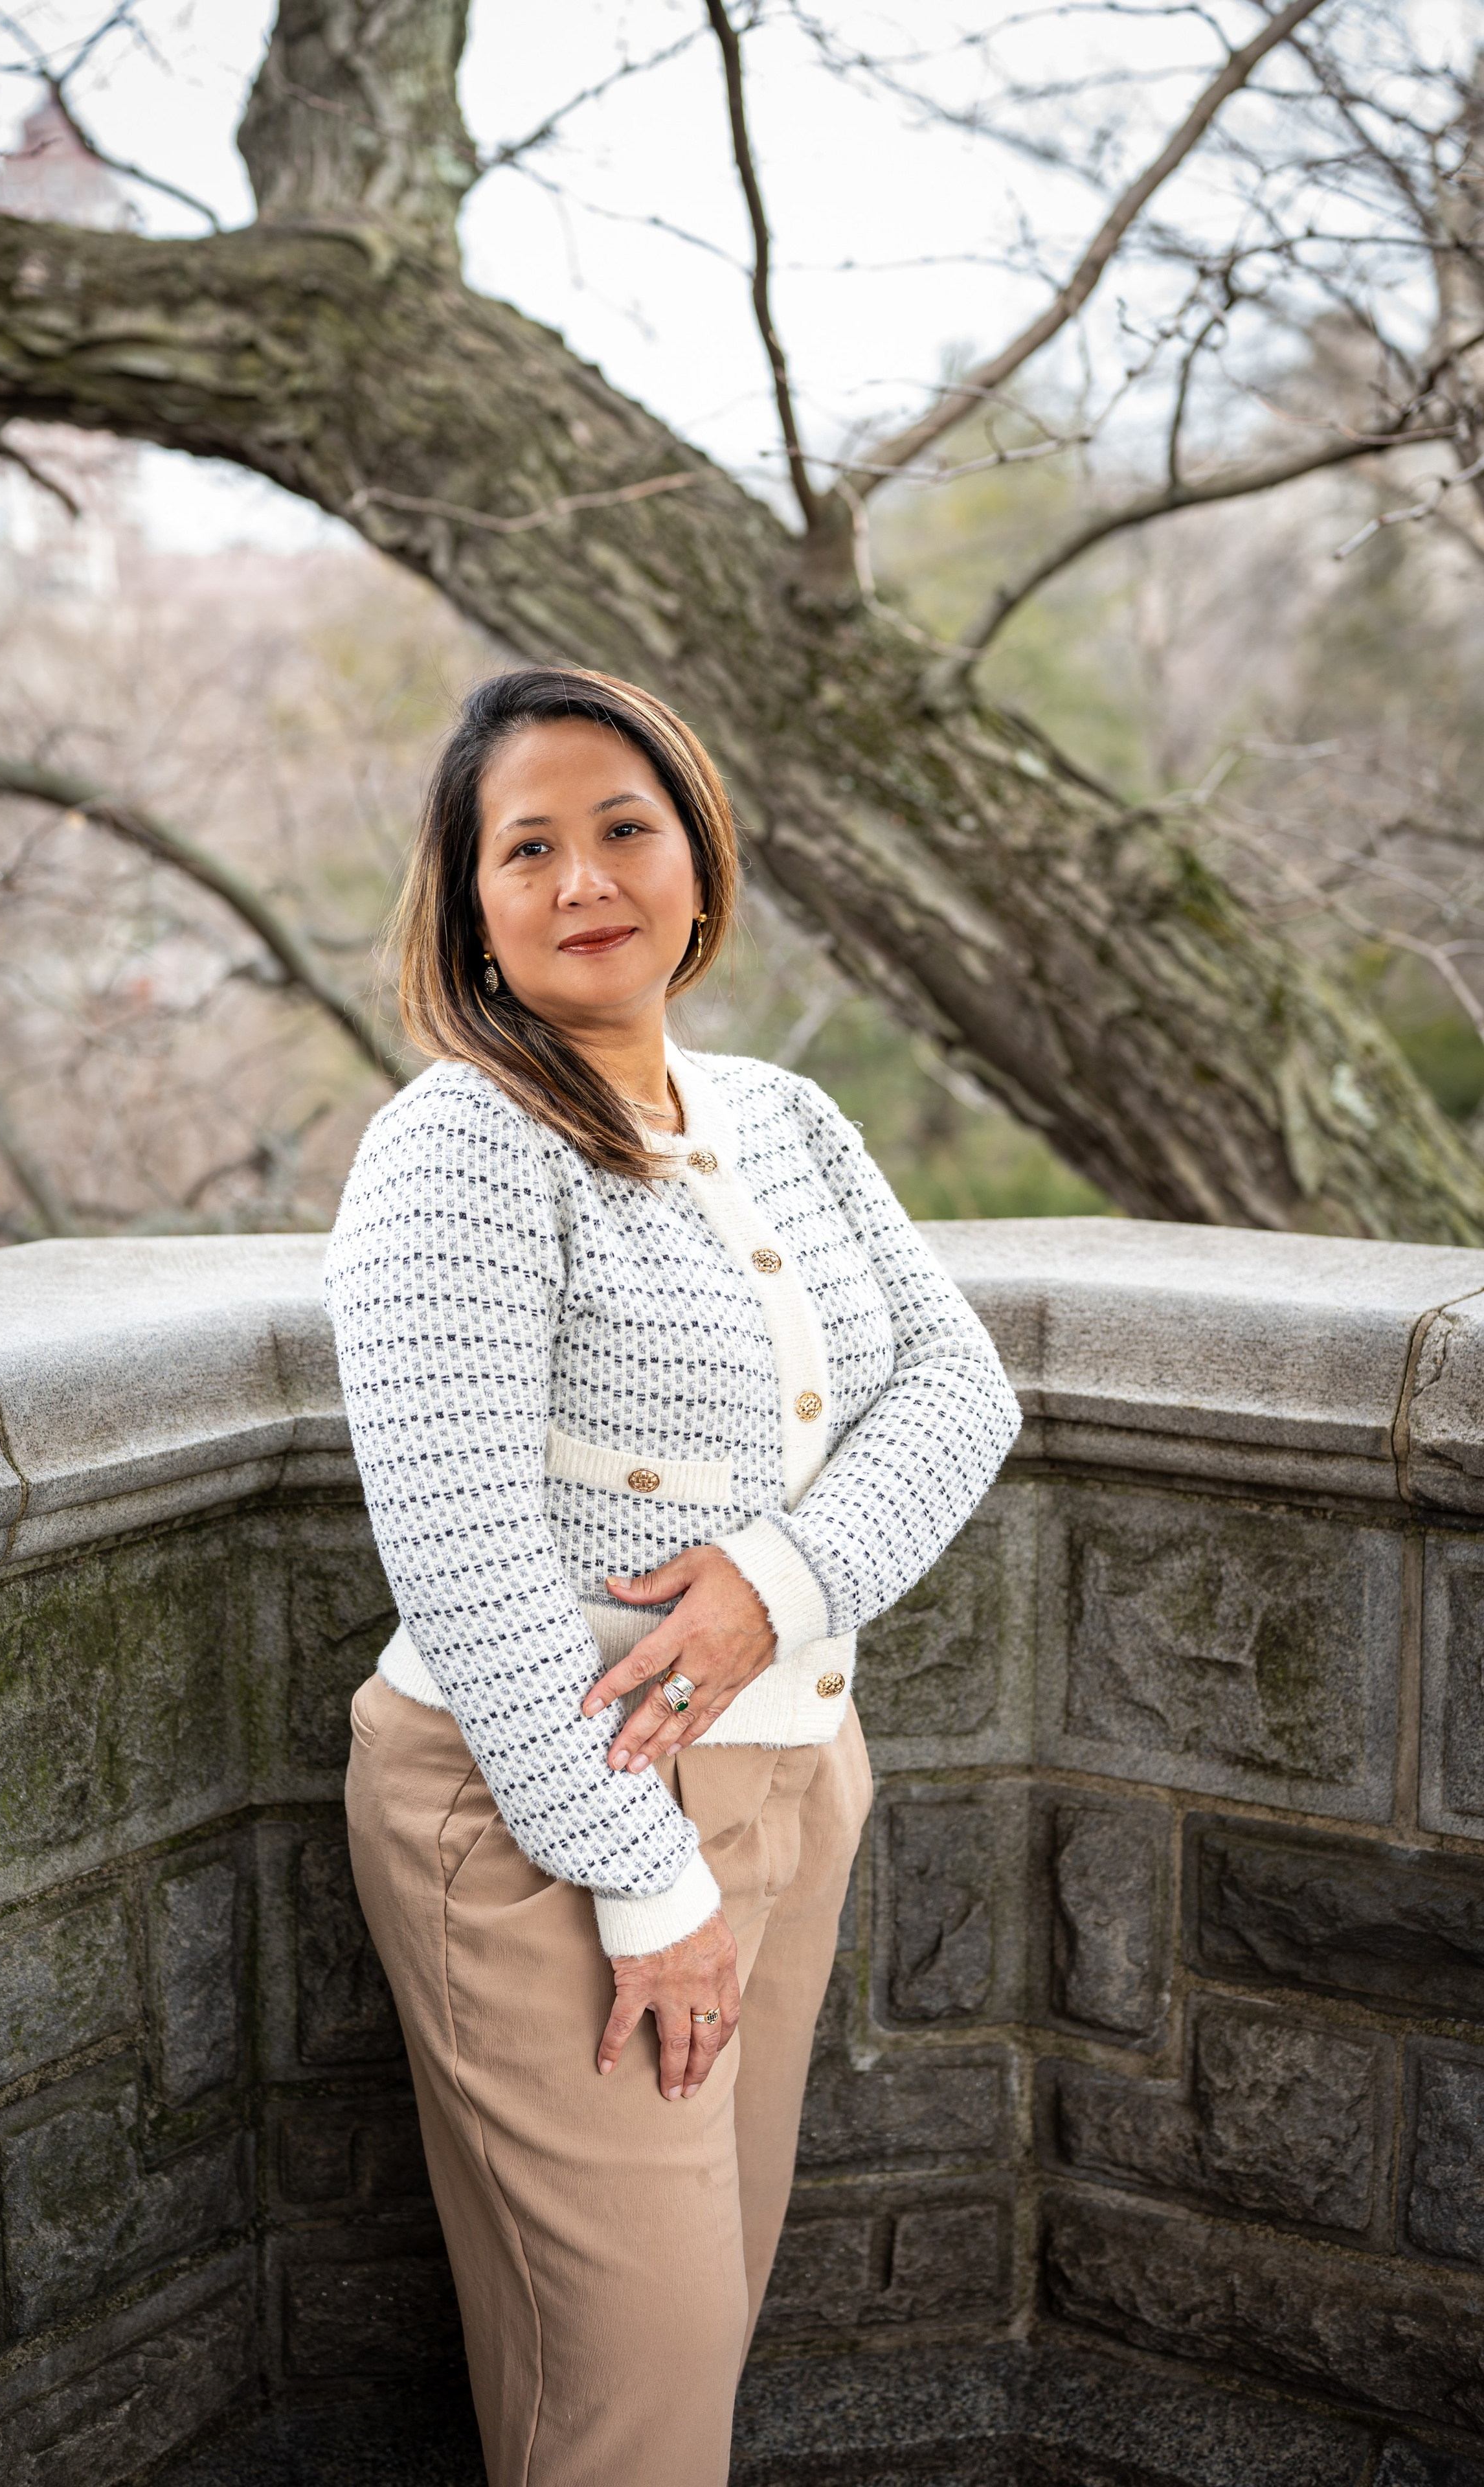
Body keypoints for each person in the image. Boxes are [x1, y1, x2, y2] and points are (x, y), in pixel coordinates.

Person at [322, 666, 1020, 2487]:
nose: (582, 880)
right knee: (631, 2395)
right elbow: (465, 1557)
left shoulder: (785, 1119)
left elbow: (963, 1392)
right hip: (550, 1813)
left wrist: (774, 1585)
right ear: (470, 906)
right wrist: (644, 1884)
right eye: (525, 847)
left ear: (697, 855)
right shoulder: (461, 1144)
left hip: (790, 1775)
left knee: (701, 2331)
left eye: (622, 827)